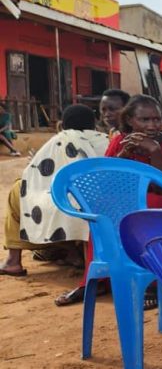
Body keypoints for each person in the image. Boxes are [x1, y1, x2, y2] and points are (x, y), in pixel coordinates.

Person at [56, 95, 162, 307]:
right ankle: (98, 280)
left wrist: (154, 152)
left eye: (156, 119)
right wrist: (124, 153)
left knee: (147, 206)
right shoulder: (120, 141)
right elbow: (104, 182)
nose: (152, 125)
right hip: (125, 205)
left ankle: (154, 282)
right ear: (129, 120)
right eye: (144, 120)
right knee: (103, 213)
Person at [1, 104, 109, 276]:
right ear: (94, 124)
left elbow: (35, 174)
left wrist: (33, 161)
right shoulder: (106, 139)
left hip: (69, 207)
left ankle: (13, 261)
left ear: (63, 125)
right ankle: (74, 254)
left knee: (19, 189)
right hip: (101, 207)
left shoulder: (61, 139)